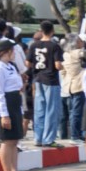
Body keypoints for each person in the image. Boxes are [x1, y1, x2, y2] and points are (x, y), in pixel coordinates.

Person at [0, 39, 30, 171]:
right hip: (5, 104)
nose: (14, 54)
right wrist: (4, 115)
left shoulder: (10, 66)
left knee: (14, 140)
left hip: (14, 102)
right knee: (7, 141)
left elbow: (17, 86)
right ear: (5, 52)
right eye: (12, 51)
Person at [28, 20, 64, 148]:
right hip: (51, 80)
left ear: (41, 31)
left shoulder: (33, 45)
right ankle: (49, 138)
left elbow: (28, 63)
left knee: (39, 109)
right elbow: (57, 65)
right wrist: (63, 67)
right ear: (52, 31)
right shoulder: (55, 46)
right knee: (52, 110)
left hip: (38, 78)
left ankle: (38, 137)